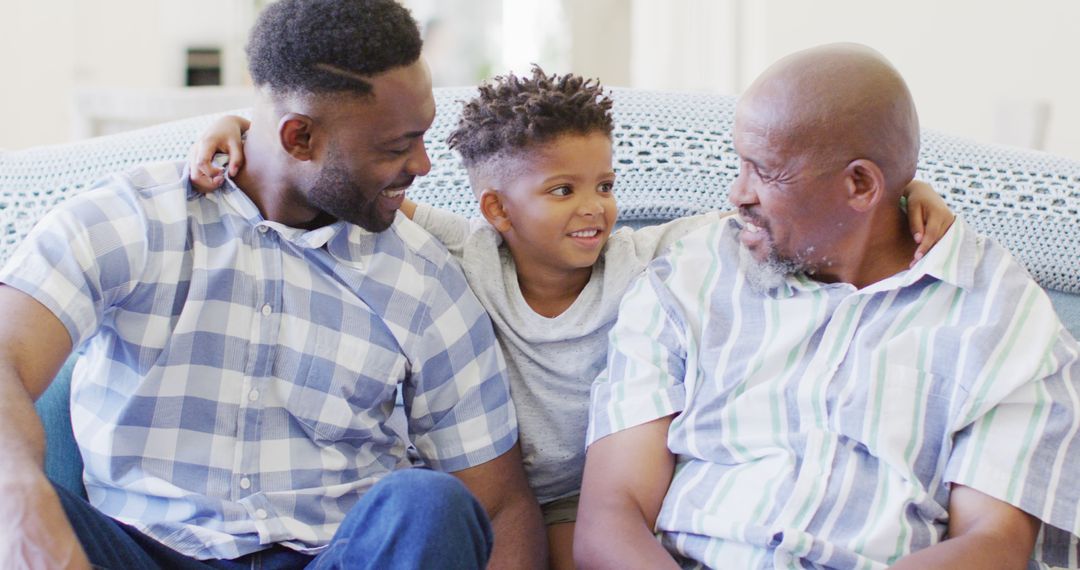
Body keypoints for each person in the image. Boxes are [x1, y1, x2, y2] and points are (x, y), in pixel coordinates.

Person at [189, 65, 957, 570]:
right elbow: (351, 180)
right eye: (563, 191)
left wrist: (902, 197)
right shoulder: (460, 251)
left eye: (604, 183)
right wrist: (237, 125)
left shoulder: (651, 258)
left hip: (595, 500)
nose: (595, 207)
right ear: (495, 210)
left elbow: (780, 219)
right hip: (483, 497)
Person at [0, 1, 548, 568]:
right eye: (395, 147)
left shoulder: (425, 277)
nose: (424, 165)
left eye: (422, 136)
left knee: (430, 503)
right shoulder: (132, 221)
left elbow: (500, 504)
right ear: (300, 138)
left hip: (332, 556)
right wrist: (20, 506)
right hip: (140, 549)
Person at [574, 42, 1080, 569]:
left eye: (763, 172)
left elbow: (993, 543)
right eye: (738, 164)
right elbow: (611, 517)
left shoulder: (999, 314)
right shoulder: (690, 276)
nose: (736, 193)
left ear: (860, 185)